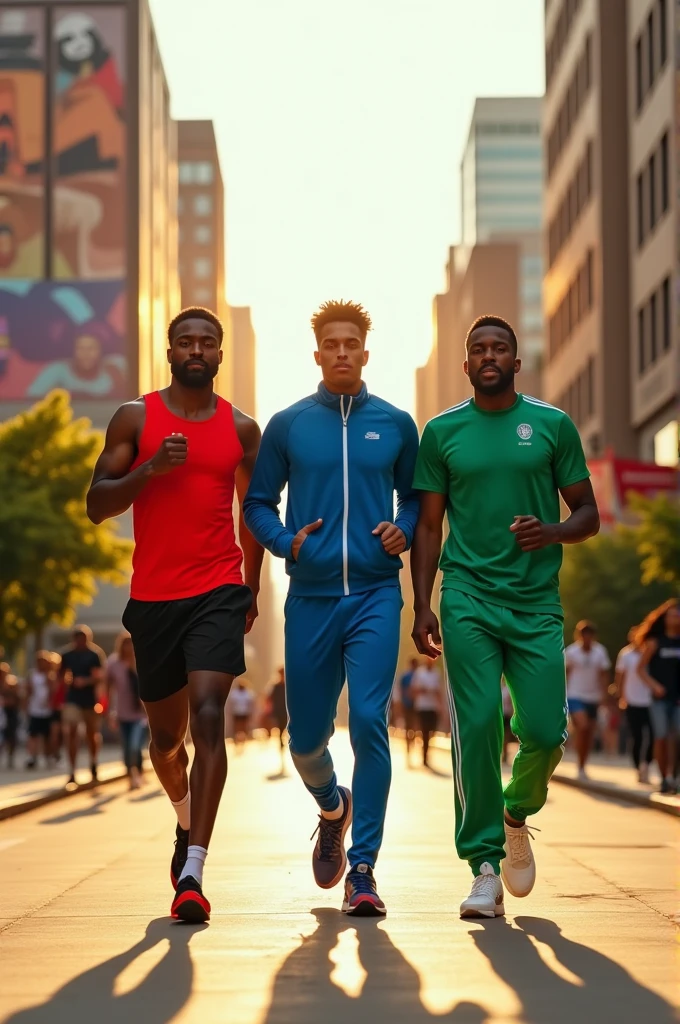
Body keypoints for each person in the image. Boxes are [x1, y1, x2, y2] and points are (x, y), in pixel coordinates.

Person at [410, 314, 599, 920]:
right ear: (465, 365)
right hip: (467, 595)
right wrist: (423, 604)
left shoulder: (551, 426)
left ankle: (517, 812)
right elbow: (429, 525)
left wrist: (553, 532)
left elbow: (588, 514)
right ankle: (484, 863)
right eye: (478, 349)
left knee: (545, 731)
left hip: (536, 602)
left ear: (518, 362)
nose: (489, 356)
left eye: (500, 348)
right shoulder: (441, 433)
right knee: (479, 721)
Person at [86, 306, 263, 924]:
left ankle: (194, 867)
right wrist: (149, 468)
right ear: (169, 351)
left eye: (207, 342)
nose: (197, 349)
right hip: (154, 599)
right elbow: (96, 504)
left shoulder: (242, 429)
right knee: (168, 742)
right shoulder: (136, 417)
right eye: (185, 340)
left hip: (218, 589)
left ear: (219, 354)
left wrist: (252, 585)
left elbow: (254, 511)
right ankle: (184, 816)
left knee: (211, 715)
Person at [244, 299, 419, 917]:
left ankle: (364, 869)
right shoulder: (289, 426)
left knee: (371, 720)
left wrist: (403, 527)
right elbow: (258, 504)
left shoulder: (397, 423)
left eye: (352, 343)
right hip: (313, 597)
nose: (342, 352)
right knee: (305, 741)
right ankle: (331, 807)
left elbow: (416, 497)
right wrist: (287, 541)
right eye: (332, 344)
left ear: (366, 353)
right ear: (317, 354)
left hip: (375, 593)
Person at [636, 599, 680, 795]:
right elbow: (640, 669)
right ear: (665, 618)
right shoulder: (655, 642)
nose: (676, 617)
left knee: (678, 736)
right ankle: (664, 778)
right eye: (672, 614)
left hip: (678, 699)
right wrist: (654, 686)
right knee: (661, 737)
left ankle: (675, 778)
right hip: (660, 700)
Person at [58, 625, 105, 786]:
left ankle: (93, 762)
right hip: (72, 699)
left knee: (91, 733)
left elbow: (98, 677)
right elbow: (61, 677)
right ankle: (72, 770)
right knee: (71, 732)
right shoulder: (67, 655)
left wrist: (85, 681)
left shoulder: (94, 655)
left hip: (89, 699)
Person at [565, 621, 611, 779]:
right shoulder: (571, 652)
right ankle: (579, 762)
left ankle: (582, 764)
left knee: (589, 733)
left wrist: (604, 695)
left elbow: (604, 674)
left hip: (593, 696)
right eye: (583, 635)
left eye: (589, 635)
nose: (586, 638)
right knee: (582, 727)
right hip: (574, 694)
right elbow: (565, 673)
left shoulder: (600, 652)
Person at [106, 632, 147, 790]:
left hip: (140, 713)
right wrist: (109, 710)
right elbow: (108, 687)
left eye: (131, 644)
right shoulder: (114, 663)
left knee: (135, 746)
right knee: (126, 747)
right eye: (126, 644)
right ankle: (131, 775)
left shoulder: (140, 661)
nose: (128, 647)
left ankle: (139, 772)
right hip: (121, 712)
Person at [615, 629, 654, 783]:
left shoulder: (649, 653)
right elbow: (620, 677)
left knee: (653, 735)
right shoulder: (625, 655)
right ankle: (638, 767)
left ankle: (647, 764)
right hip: (632, 701)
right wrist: (622, 697)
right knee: (637, 736)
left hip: (650, 701)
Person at [24, 651, 57, 769]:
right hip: (35, 709)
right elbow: (28, 691)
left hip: (47, 710)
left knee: (47, 736)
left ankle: (48, 756)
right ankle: (32, 757)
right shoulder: (32, 675)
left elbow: (54, 691)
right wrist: (26, 705)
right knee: (33, 734)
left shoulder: (50, 676)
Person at [412, 657, 443, 768]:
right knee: (425, 731)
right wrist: (423, 690)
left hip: (433, 706)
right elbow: (414, 689)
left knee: (432, 731)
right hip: (422, 706)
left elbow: (438, 690)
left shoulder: (437, 673)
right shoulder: (420, 672)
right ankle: (424, 757)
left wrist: (441, 705)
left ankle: (425, 749)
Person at [398, 657, 419, 765]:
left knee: (412, 727)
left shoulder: (417, 676)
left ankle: (411, 743)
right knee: (410, 727)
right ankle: (409, 745)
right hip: (410, 705)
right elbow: (401, 690)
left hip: (415, 705)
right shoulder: (407, 676)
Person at [267, 666, 289, 768]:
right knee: (281, 731)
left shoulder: (289, 686)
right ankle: (282, 747)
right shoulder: (276, 686)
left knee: (286, 730)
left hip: (288, 713)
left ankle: (285, 744)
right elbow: (269, 699)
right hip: (279, 712)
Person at [0, 663, 19, 769]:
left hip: (10, 712)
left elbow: (16, 698)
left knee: (11, 736)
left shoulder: (12, 683)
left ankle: (10, 756)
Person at [228, 679, 255, 749]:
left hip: (244, 713)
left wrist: (251, 712)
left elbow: (250, 703)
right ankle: (236, 740)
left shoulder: (247, 693)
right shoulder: (235, 693)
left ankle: (243, 740)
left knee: (244, 727)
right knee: (236, 728)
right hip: (237, 712)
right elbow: (231, 703)